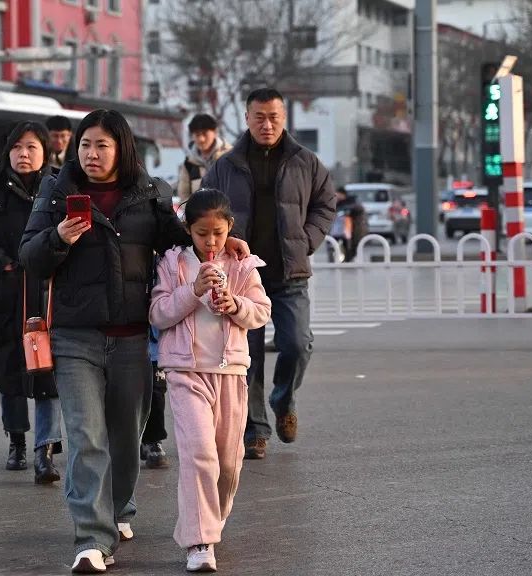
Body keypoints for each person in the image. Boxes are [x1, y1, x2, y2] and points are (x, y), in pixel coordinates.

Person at [19, 109, 250, 573]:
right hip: (74, 337)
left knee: (126, 440)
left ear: (121, 148)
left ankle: (118, 508)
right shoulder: (57, 191)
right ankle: (92, 538)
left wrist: (229, 244)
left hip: (130, 339)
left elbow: (184, 240)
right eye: (85, 145)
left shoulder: (147, 194)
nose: (91, 154)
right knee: (86, 438)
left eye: (102, 145)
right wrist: (58, 237)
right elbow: (30, 255)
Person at [201, 88, 336, 460]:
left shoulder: (304, 161)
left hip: (289, 272)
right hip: (242, 275)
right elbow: (203, 206)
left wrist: (306, 239)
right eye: (259, 117)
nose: (267, 124)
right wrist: (220, 242)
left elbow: (327, 203)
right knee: (250, 356)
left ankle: (283, 398)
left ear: (284, 118)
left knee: (297, 344)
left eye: (274, 117)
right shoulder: (225, 166)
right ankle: (255, 430)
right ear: (247, 118)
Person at [150, 189, 271, 572]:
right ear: (188, 230)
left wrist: (235, 305)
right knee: (199, 452)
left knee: (228, 462)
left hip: (231, 372)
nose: (211, 241)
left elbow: (261, 311)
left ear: (229, 228)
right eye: (202, 233)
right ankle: (200, 541)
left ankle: (207, 523)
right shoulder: (173, 263)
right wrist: (193, 290)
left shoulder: (240, 263)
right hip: (185, 371)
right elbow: (158, 313)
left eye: (218, 232)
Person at [0, 121, 65, 484]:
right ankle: (17, 442)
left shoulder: (59, 189)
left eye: (32, 147)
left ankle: (45, 450)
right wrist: (1, 261)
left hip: (48, 295)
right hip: (4, 296)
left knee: (49, 373)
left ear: (44, 153)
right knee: (9, 371)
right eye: (17, 147)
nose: (24, 154)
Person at [141, 261, 169, 470]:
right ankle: (134, 439)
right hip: (128, 337)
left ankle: (153, 440)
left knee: (156, 392)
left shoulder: (164, 258)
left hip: (156, 342)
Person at [177, 114, 233, 202]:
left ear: (215, 132)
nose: (201, 139)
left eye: (204, 133)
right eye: (197, 134)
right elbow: (184, 196)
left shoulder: (229, 158)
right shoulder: (189, 164)